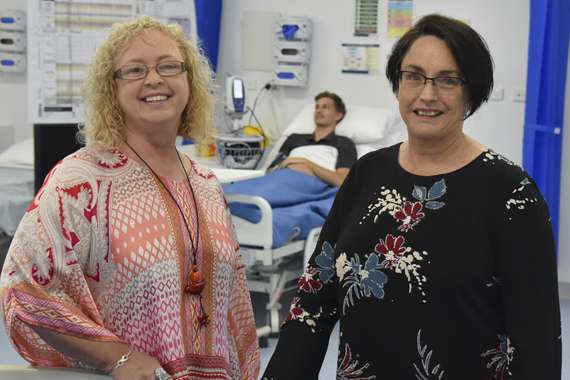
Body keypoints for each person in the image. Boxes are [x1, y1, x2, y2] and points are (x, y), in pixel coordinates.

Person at [263, 14, 561, 379]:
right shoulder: (366, 175)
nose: (427, 94)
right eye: (414, 76)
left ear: (472, 91)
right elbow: (314, 299)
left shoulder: (510, 192)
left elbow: (537, 339)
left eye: (448, 80)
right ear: (398, 83)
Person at [0, 16, 259, 380]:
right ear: (112, 90)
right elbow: (23, 287)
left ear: (190, 81)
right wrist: (116, 358)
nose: (154, 79)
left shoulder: (205, 182)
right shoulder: (79, 182)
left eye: (169, 66)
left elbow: (234, 307)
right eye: (134, 70)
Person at [268, 91, 357, 187]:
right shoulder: (294, 138)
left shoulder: (344, 143)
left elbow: (341, 181)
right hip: (280, 180)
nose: (319, 110)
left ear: (338, 115)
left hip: (315, 187)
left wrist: (304, 162)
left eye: (325, 107)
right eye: (317, 107)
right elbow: (270, 171)